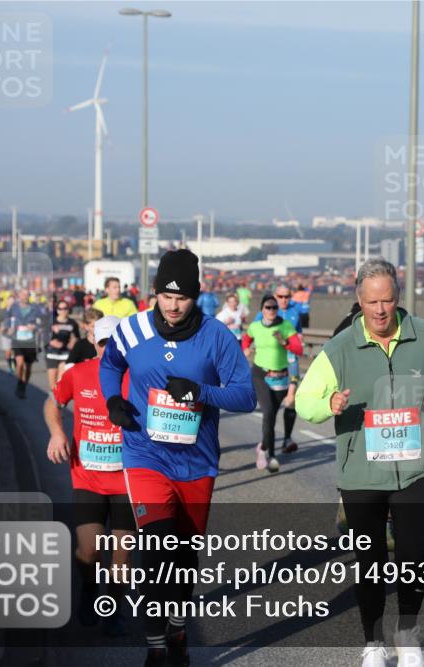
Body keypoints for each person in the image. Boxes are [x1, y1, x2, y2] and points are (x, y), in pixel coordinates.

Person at [297, 258, 424, 667]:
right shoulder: (338, 349)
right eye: (372, 303)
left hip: (415, 467)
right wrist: (326, 405)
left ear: (398, 297)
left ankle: (407, 636)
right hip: (362, 472)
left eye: (387, 300)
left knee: (414, 559)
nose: (381, 311)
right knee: (370, 564)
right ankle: (373, 642)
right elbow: (304, 401)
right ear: (359, 300)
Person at [99, 249, 256, 667]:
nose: (172, 305)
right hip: (144, 456)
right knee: (154, 550)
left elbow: (246, 394)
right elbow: (110, 363)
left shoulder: (216, 336)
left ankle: (178, 627)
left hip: (196, 463)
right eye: (165, 296)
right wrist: (113, 399)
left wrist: (202, 392)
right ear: (154, 294)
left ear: (196, 296)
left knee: (184, 557)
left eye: (182, 297)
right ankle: (153, 648)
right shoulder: (132, 329)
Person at [45, 316, 135, 637]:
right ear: (94, 344)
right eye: (103, 343)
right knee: (90, 550)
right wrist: (57, 433)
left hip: (129, 481)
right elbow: (52, 403)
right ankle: (88, 589)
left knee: (122, 556)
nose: (109, 350)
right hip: (88, 478)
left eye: (115, 344)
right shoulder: (79, 373)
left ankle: (112, 609)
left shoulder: (139, 377)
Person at [242, 294, 304, 472]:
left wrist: (284, 342)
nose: (271, 310)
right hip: (260, 374)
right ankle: (272, 456)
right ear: (262, 310)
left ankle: (262, 447)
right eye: (268, 307)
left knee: (274, 414)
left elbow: (298, 349)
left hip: (280, 376)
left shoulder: (285, 326)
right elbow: (247, 338)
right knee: (268, 413)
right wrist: (245, 348)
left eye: (274, 307)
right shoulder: (255, 327)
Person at [255, 285, 303, 453]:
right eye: (280, 296)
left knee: (292, 400)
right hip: (270, 366)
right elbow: (256, 332)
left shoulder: (294, 313)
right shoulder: (261, 314)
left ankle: (287, 438)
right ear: (275, 296)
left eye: (287, 296)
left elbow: (298, 336)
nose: (284, 300)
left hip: (290, 360)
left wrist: (291, 342)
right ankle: (267, 441)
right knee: (271, 410)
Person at [5, 289, 44, 398]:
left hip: (31, 341)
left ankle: (24, 385)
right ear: (19, 296)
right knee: (20, 363)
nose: (25, 297)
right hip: (17, 339)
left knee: (28, 367)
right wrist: (9, 328)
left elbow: (42, 321)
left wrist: (35, 327)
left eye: (27, 295)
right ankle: (19, 384)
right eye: (23, 295)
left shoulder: (35, 308)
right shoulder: (14, 307)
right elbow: (7, 317)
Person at [59, 307, 103, 382]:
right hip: (83, 383)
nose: (97, 329)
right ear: (86, 326)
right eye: (93, 326)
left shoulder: (108, 344)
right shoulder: (80, 344)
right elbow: (69, 365)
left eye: (100, 325)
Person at [46, 300, 81, 391]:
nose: (63, 311)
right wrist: (51, 342)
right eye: (60, 308)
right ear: (57, 310)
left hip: (65, 354)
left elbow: (78, 337)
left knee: (60, 382)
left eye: (65, 308)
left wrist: (73, 341)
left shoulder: (72, 323)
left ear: (68, 309)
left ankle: (59, 404)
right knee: (53, 386)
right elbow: (43, 337)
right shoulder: (51, 322)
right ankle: (56, 402)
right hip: (52, 354)